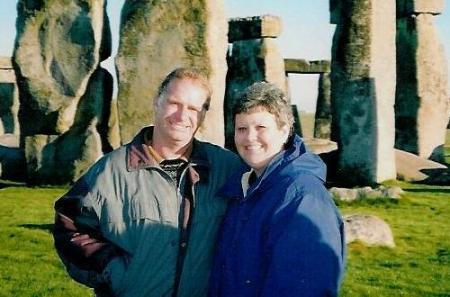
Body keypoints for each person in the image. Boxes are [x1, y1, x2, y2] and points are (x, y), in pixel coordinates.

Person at [53, 68, 243, 297]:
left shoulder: (227, 168)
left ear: (203, 114)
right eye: (174, 103)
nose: (182, 116)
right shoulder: (111, 170)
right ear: (157, 102)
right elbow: (70, 224)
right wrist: (112, 270)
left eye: (193, 108)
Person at [209, 82, 346, 297]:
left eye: (260, 128)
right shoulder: (243, 187)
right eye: (241, 129)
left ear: (284, 131)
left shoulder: (301, 197)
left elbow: (305, 287)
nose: (249, 137)